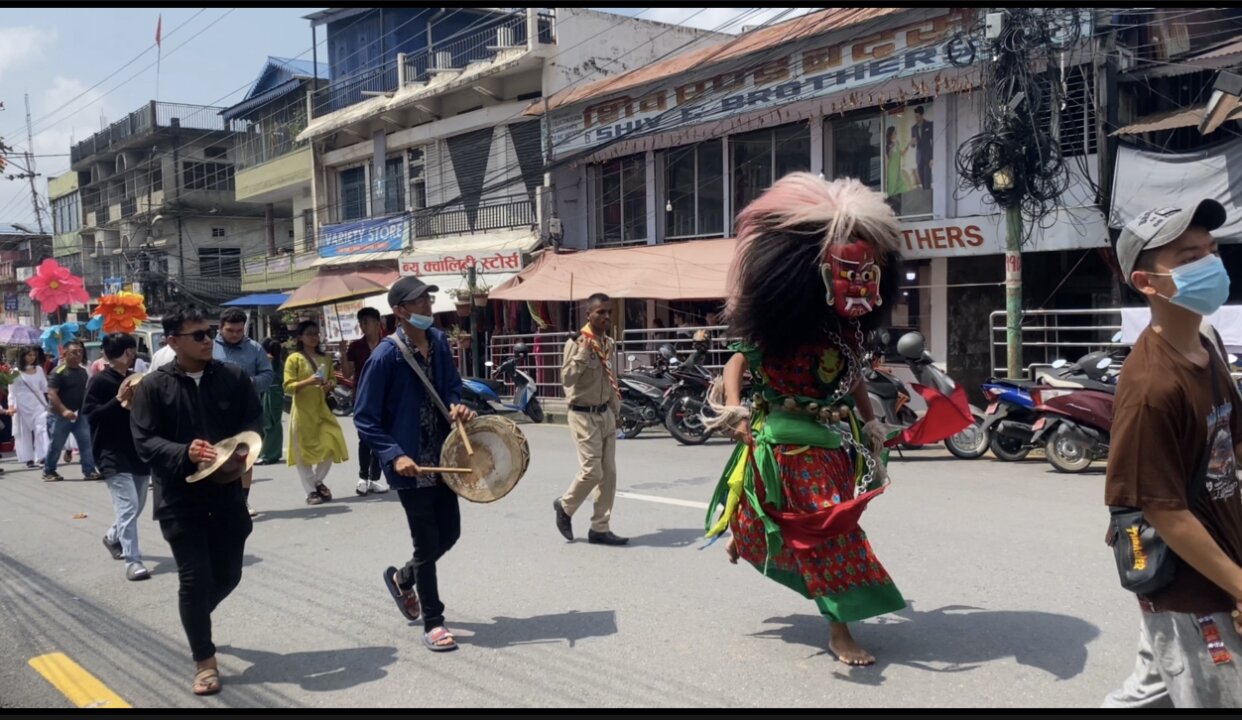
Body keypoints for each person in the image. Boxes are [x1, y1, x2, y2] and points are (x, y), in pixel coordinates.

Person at [705, 173, 906, 667]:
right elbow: (738, 362)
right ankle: (840, 628)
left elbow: (854, 379)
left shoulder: (842, 334)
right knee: (830, 531)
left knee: (817, 525)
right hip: (785, 443)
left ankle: (748, 534)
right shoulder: (778, 328)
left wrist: (872, 423)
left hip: (833, 443)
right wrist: (734, 409)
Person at [1103, 199, 1242, 708]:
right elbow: (1164, 510)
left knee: (1150, 690)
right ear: (1147, 283)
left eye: (1212, 250)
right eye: (1189, 257)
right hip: (1190, 584)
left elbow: (1230, 443)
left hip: (1217, 555)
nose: (1212, 264)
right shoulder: (1151, 387)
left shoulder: (1207, 342)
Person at [129, 305, 262, 696]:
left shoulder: (234, 378)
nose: (208, 341)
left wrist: (242, 451)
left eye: (209, 334)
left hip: (226, 494)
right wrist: (182, 452)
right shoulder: (153, 386)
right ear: (173, 342)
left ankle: (195, 620)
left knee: (229, 575)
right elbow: (144, 443)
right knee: (194, 577)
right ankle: (204, 660)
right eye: (199, 336)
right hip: (178, 497)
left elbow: (252, 424)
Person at [355, 276, 476, 652]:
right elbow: (364, 417)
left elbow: (451, 385)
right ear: (400, 311)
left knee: (450, 534)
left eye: (428, 299)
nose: (427, 306)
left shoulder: (438, 341)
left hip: (443, 458)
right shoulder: (384, 357)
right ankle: (434, 621)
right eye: (419, 302)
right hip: (411, 465)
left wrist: (457, 404)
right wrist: (395, 455)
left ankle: (404, 577)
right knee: (426, 543)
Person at [553, 292, 628, 546]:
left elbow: (610, 378)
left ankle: (600, 527)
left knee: (609, 473)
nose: (606, 316)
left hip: (604, 413)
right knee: (592, 471)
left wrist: (615, 411)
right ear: (589, 314)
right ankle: (565, 506)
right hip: (583, 414)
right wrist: (583, 354)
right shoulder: (577, 342)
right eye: (600, 312)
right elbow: (567, 379)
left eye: (609, 312)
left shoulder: (608, 342)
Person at [82, 332, 151, 582]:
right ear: (125, 353)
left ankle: (112, 536)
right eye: (130, 350)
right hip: (111, 452)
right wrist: (118, 399)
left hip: (137, 450)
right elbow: (90, 415)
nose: (133, 355)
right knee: (128, 506)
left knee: (138, 504)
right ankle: (133, 562)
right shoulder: (100, 381)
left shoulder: (136, 379)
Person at [213, 309, 274, 517]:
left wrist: (251, 382)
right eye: (230, 330)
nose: (235, 334)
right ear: (221, 328)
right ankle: (219, 501)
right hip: (216, 413)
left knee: (244, 458)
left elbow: (268, 375)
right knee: (218, 457)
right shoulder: (209, 348)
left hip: (248, 412)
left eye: (239, 330)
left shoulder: (254, 348)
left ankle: (243, 501)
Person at [284, 321, 348, 505]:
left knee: (332, 442)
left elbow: (333, 379)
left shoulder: (326, 358)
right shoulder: (294, 359)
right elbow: (288, 387)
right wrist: (308, 381)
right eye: (309, 333)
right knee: (302, 452)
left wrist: (329, 384)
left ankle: (317, 481)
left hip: (322, 410)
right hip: (302, 412)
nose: (314, 337)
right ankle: (311, 491)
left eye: (316, 333)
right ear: (300, 337)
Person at [339, 306, 389, 495]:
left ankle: (375, 478)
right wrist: (343, 354)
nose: (363, 326)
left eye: (366, 322)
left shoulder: (389, 344)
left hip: (385, 397)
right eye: (360, 322)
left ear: (378, 323)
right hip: (362, 396)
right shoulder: (356, 347)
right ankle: (362, 477)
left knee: (380, 438)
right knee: (364, 438)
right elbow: (347, 373)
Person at [42, 340, 101, 482]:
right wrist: (63, 411)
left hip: (79, 415)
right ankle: (49, 471)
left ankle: (89, 470)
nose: (78, 354)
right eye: (74, 352)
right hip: (59, 416)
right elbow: (51, 394)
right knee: (56, 445)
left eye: (80, 351)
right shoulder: (58, 372)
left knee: (86, 443)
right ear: (65, 354)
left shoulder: (82, 371)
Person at [6, 346, 49, 469]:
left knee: (42, 429)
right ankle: (28, 458)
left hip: (38, 403)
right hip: (22, 404)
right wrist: (11, 406)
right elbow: (12, 392)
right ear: (23, 356)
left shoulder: (39, 369)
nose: (32, 358)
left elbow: (44, 387)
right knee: (24, 432)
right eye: (29, 355)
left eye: (33, 355)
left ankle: (42, 456)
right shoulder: (14, 371)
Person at [256, 338, 285, 466]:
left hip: (270, 393)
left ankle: (267, 454)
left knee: (269, 424)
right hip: (277, 393)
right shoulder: (280, 361)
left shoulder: (268, 361)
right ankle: (272, 452)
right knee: (275, 424)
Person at [911, 105, 933, 191]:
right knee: (921, 176)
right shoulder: (913, 128)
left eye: (918, 116)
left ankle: (927, 191)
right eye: (915, 116)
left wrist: (932, 157)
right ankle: (925, 190)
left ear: (922, 115)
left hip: (927, 154)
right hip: (919, 155)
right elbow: (913, 144)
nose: (916, 118)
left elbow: (933, 141)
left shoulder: (929, 124)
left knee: (927, 176)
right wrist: (912, 143)